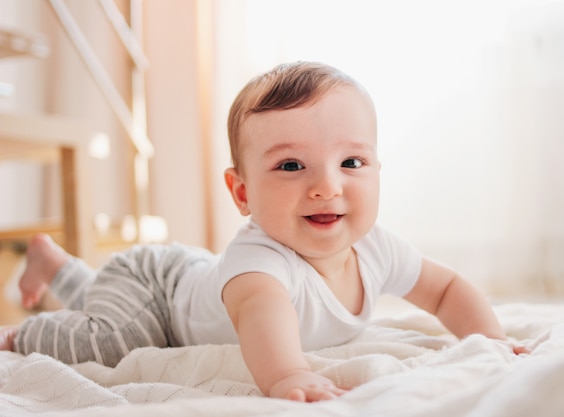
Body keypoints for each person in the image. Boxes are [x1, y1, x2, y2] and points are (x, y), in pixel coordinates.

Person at [0, 61, 526, 402]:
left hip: (190, 274)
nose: (326, 187)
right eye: (292, 167)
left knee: (106, 307)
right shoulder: (261, 262)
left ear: (377, 169)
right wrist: (287, 376)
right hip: (155, 288)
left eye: (351, 161)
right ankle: (22, 331)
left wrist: (491, 338)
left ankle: (57, 265)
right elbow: (263, 316)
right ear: (243, 193)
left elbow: (446, 289)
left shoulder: (375, 246)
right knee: (117, 337)